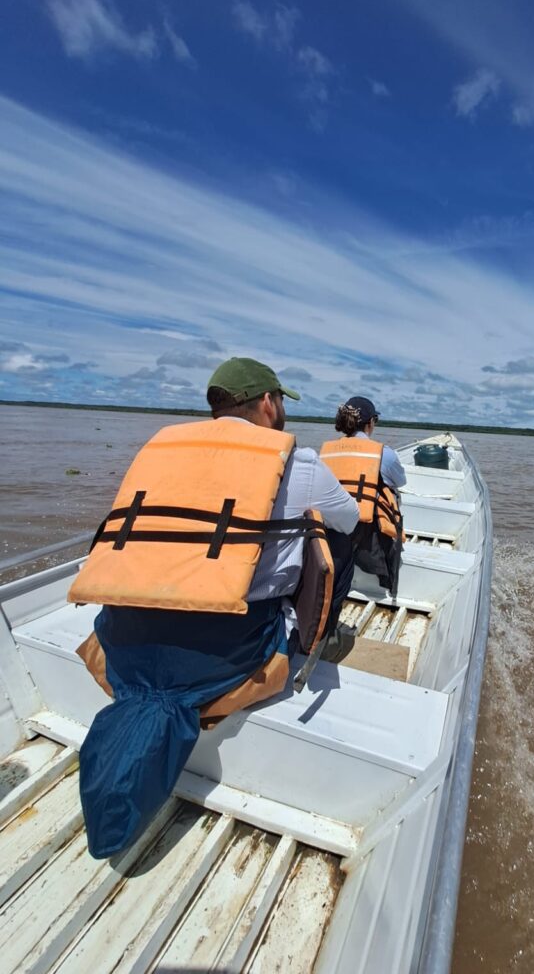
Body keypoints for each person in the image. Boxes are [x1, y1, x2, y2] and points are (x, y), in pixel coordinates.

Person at [71, 357, 358, 859]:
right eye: (281, 402)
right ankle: (324, 639)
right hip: (226, 656)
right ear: (268, 402)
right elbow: (352, 520)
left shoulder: (163, 450)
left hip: (127, 641)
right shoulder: (300, 460)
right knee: (335, 539)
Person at [320, 396, 407, 597]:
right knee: (391, 493)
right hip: (368, 535)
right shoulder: (384, 453)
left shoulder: (326, 451)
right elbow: (401, 481)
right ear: (370, 423)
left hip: (330, 530)